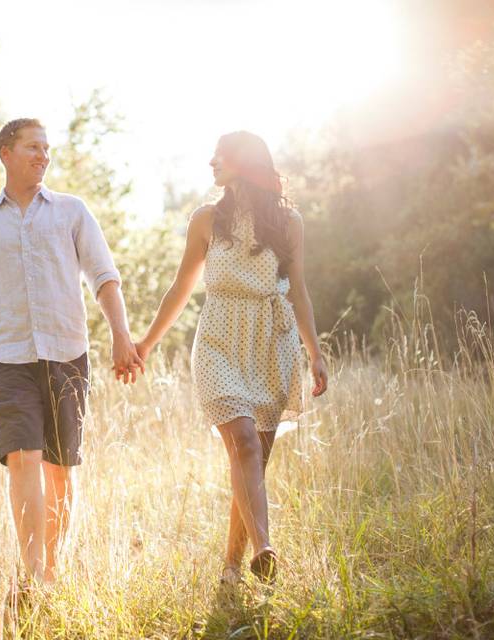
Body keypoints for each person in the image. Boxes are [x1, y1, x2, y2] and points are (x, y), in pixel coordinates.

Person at [135, 131, 328, 582]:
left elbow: (298, 291)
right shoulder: (206, 219)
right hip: (219, 341)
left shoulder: (288, 222)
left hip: (271, 343)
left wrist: (315, 351)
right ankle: (265, 546)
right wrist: (145, 344)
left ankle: (233, 565)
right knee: (242, 440)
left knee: (253, 462)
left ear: (243, 162)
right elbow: (182, 287)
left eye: (220, 154)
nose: (211, 161)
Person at [0, 118, 144, 587]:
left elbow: (104, 276)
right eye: (32, 147)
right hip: (8, 358)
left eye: (47, 148)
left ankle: (55, 567)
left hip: (67, 354)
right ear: (6, 152)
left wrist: (121, 334)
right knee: (22, 459)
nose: (43, 155)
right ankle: (35, 575)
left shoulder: (71, 211)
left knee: (59, 470)